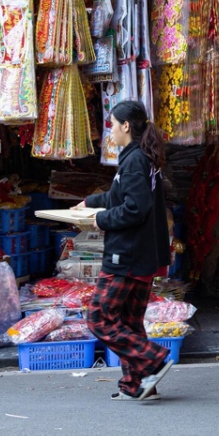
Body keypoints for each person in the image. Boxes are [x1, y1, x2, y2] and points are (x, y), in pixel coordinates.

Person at [75, 100, 174, 400]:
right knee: (130, 322)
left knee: (99, 318)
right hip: (140, 255)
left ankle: (153, 358)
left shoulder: (134, 161)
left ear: (126, 126)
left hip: (127, 256)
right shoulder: (138, 158)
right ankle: (138, 385)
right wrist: (91, 202)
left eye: (112, 125)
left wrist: (99, 220)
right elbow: (121, 195)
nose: (111, 131)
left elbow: (135, 208)